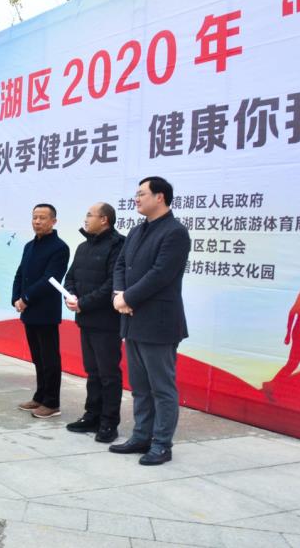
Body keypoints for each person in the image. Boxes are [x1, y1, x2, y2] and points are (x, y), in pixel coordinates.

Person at [110, 176, 190, 466]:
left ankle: (161, 444)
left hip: (159, 322)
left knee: (161, 388)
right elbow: (121, 264)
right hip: (132, 321)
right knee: (140, 386)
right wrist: (119, 294)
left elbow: (160, 274)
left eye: (142, 193)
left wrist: (128, 298)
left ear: (160, 197)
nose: (137, 198)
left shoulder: (175, 232)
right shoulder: (136, 230)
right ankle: (141, 436)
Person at [63, 202, 126, 443]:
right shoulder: (83, 247)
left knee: (108, 374)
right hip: (86, 319)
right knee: (92, 372)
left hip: (107, 321)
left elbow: (113, 284)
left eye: (90, 215)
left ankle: (109, 422)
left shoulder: (118, 245)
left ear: (104, 220)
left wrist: (84, 303)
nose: (86, 219)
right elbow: (71, 277)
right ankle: (92, 416)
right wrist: (71, 296)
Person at [12, 204, 71, 419]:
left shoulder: (59, 247)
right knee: (37, 357)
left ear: (53, 221)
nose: (37, 221)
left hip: (45, 311)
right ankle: (40, 396)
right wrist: (16, 298)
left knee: (49, 358)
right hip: (28, 310)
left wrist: (26, 298)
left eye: (42, 218)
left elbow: (50, 279)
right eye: (35, 217)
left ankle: (52, 402)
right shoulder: (29, 246)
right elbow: (20, 273)